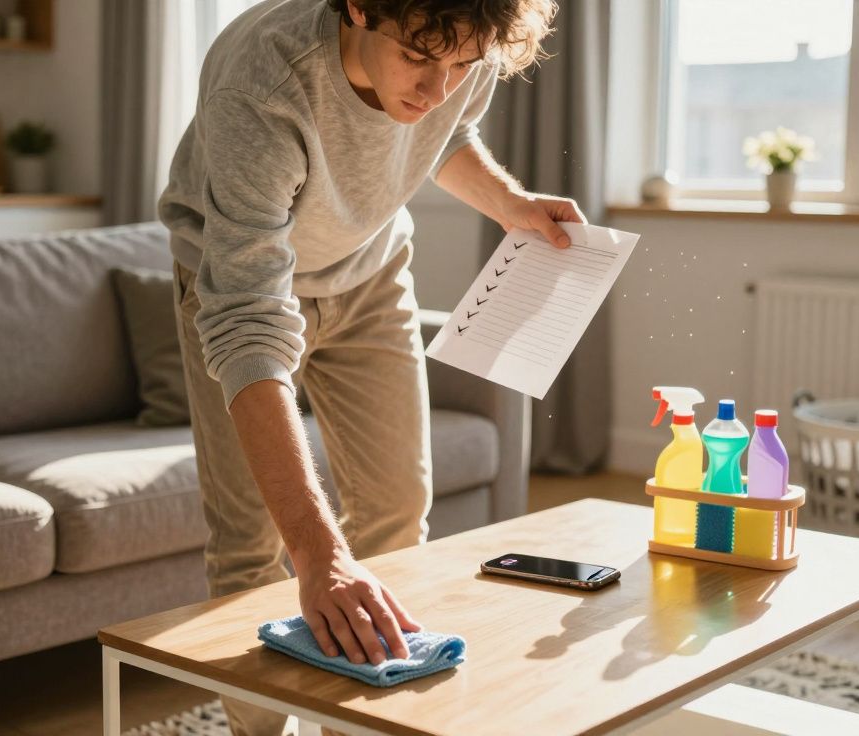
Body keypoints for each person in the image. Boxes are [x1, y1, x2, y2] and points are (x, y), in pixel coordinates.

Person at [158, 0, 580, 732]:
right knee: (253, 546)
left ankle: (358, 721)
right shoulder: (264, 83)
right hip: (236, 288)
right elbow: (247, 317)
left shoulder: (456, 57)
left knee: (396, 515)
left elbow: (442, 131)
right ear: (359, 6)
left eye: (462, 66)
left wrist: (510, 204)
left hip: (371, 275)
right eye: (419, 58)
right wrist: (319, 555)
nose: (439, 87)